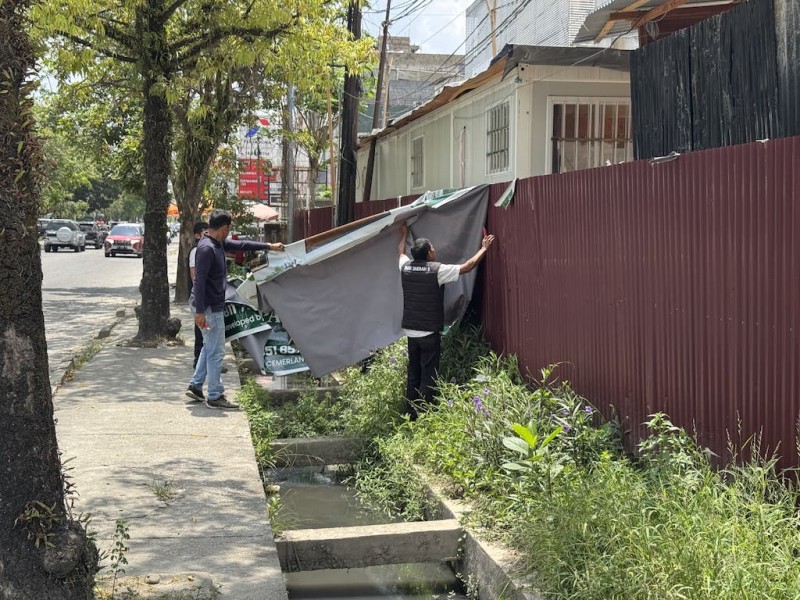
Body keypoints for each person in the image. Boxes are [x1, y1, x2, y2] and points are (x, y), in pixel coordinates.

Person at [187, 209, 284, 409]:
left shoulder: (217, 243)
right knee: (216, 352)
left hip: (209, 305)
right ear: (224, 228)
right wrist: (199, 312)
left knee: (209, 347)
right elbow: (199, 281)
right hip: (208, 307)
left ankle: (196, 386)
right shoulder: (207, 249)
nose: (228, 234)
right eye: (228, 230)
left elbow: (242, 245)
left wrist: (269, 246)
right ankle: (215, 395)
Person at [398, 223, 495, 419]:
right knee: (428, 373)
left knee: (414, 371)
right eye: (432, 248)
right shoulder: (437, 270)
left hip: (410, 330)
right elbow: (468, 267)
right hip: (428, 332)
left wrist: (403, 234)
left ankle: (410, 412)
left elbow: (400, 252)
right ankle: (424, 413)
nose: (435, 250)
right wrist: (484, 249)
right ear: (427, 255)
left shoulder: (405, 267)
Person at [188, 221, 209, 369]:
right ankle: (198, 360)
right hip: (199, 298)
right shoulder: (196, 251)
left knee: (207, 332)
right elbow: (194, 275)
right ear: (197, 235)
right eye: (205, 233)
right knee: (201, 330)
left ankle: (205, 362)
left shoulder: (205, 249)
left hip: (206, 296)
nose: (208, 236)